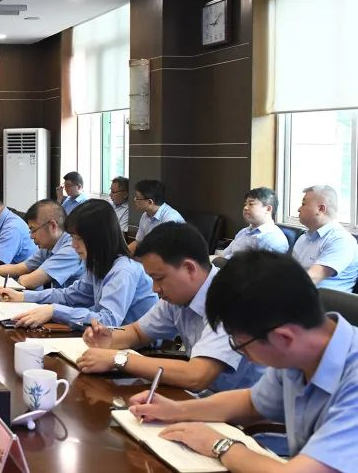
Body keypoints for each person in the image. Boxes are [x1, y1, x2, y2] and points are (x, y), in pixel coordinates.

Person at [128, 250, 358, 472]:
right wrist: (176, 410)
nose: (240, 352)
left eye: (240, 345)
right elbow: (251, 403)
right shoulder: (298, 352)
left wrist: (220, 445)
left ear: (284, 338)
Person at [77, 222, 263, 393]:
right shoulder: (177, 297)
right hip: (206, 398)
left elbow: (197, 376)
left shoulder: (228, 300)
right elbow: (138, 332)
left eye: (159, 278)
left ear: (189, 268)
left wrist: (118, 359)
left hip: (246, 412)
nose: (155, 289)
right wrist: (108, 339)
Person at [0, 199, 157, 328]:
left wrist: (55, 311)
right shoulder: (98, 264)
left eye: (77, 238)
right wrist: (23, 296)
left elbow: (108, 320)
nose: (73, 245)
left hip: (142, 350)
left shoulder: (123, 270)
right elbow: (70, 295)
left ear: (97, 238)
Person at [0, 199, 84, 290]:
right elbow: (19, 268)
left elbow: (30, 281)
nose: (31, 236)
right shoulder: (48, 247)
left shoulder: (71, 248)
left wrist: (19, 279)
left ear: (52, 226)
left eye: (33, 230)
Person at [292, 185, 358, 291]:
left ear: (321, 209)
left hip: (324, 300)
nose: (299, 209)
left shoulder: (341, 240)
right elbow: (291, 271)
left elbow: (311, 278)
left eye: (303, 204)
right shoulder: (303, 238)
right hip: (299, 295)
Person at [214, 187, 289, 267]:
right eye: (245, 204)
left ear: (268, 209)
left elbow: (262, 272)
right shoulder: (243, 232)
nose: (245, 207)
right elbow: (224, 255)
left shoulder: (273, 239)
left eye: (251, 204)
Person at [128, 179, 185, 254]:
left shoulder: (170, 219)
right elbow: (138, 242)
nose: (134, 199)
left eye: (137, 197)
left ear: (150, 202)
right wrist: (122, 254)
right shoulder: (145, 215)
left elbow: (166, 253)